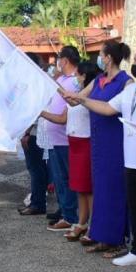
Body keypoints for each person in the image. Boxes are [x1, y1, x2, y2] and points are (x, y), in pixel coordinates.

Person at [66, 44, 136, 272]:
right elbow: (107, 108)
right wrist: (82, 99)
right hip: (131, 160)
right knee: (135, 208)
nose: (133, 63)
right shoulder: (132, 89)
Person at [63, 41, 132, 252]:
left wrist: (81, 100)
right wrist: (57, 90)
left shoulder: (126, 82)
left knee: (115, 190)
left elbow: (109, 109)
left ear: (109, 57)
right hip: (98, 143)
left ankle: (118, 239)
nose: (99, 59)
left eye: (101, 55)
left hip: (115, 143)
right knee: (100, 190)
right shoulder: (99, 80)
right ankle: (101, 236)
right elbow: (75, 100)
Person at [40, 62, 100, 241]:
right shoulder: (78, 95)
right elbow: (62, 118)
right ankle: (81, 222)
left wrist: (55, 85)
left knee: (88, 188)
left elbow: (74, 100)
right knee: (78, 187)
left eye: (79, 76)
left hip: (85, 143)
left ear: (85, 77)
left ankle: (92, 225)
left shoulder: (92, 96)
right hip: (73, 143)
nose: (76, 79)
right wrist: (41, 113)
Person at [40, 46, 81, 231]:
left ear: (65, 60)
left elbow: (65, 114)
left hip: (65, 139)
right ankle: (65, 211)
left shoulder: (74, 82)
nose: (58, 63)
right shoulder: (62, 79)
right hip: (55, 139)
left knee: (65, 179)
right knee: (58, 180)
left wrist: (42, 113)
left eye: (60, 60)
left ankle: (70, 216)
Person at [19, 53, 51, 217]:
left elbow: (34, 110)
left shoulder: (36, 82)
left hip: (34, 132)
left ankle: (37, 203)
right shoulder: (41, 80)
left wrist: (26, 132)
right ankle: (37, 201)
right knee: (39, 168)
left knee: (36, 168)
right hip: (37, 131)